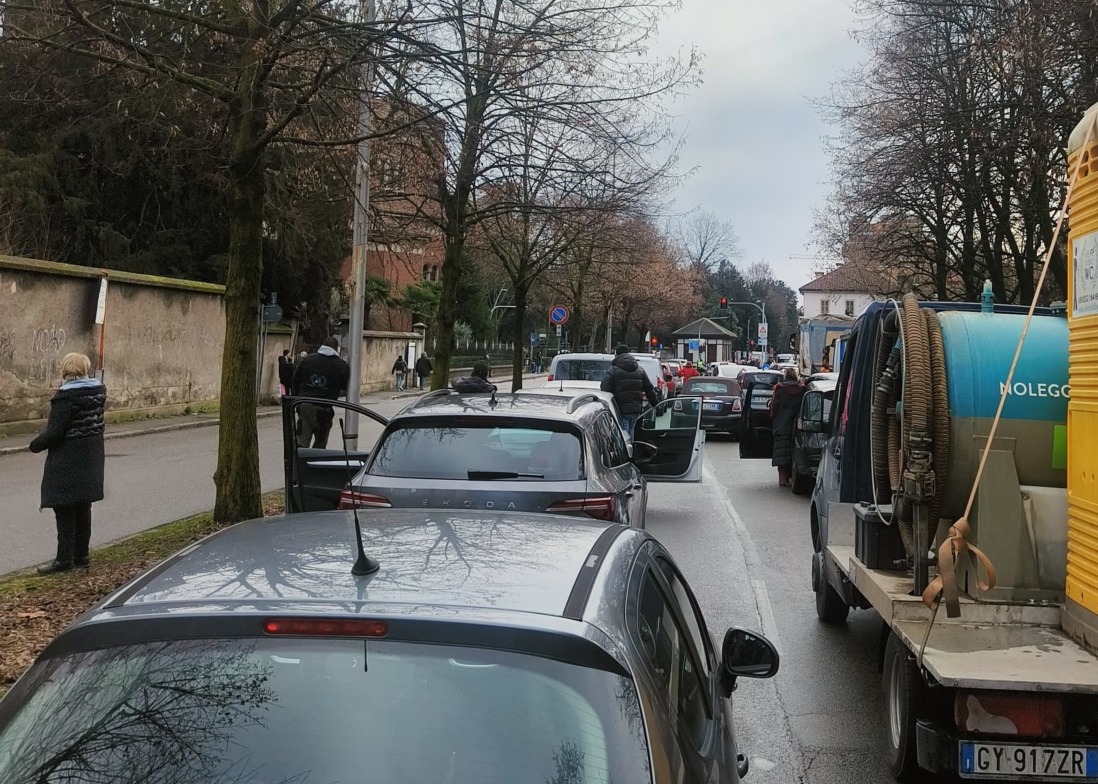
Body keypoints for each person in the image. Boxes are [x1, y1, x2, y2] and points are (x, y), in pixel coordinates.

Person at [29, 353, 106, 574]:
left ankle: (63, 560)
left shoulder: (66, 397)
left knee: (64, 507)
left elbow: (55, 432)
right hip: (91, 458)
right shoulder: (97, 392)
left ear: (65, 370)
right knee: (83, 506)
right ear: (84, 369)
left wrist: (35, 444)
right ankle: (81, 555)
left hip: (68, 459)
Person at [292, 337, 350, 449]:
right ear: (336, 348)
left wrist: (297, 402)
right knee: (320, 445)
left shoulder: (308, 359)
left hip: (305, 405)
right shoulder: (340, 365)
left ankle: (300, 465)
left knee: (302, 444)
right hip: (324, 409)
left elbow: (295, 379)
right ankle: (314, 464)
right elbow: (344, 385)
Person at [601, 344, 659, 441]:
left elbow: (605, 388)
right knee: (632, 432)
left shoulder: (613, 370)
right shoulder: (640, 369)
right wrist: (656, 404)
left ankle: (627, 453)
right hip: (636, 409)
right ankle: (632, 450)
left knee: (624, 435)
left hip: (620, 409)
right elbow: (649, 389)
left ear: (616, 354)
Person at [769, 367, 806, 487]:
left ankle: (783, 480)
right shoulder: (802, 389)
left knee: (781, 453)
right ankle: (795, 478)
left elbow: (774, 407)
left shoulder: (779, 389)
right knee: (795, 452)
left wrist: (773, 418)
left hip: (781, 424)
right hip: (798, 426)